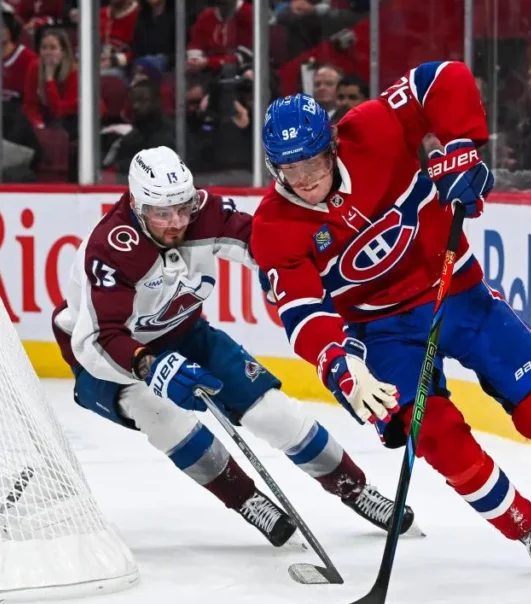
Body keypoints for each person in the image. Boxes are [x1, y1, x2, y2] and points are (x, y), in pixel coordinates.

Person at [251, 62, 531, 571]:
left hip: (456, 289)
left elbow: (442, 78)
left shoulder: (374, 127)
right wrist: (341, 364)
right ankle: (525, 525)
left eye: (313, 165)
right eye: (290, 171)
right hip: (382, 334)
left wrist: (460, 146)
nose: (304, 181)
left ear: (333, 146)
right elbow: (302, 313)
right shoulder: (273, 228)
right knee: (431, 433)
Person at [52, 146, 415, 547]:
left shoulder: (204, 214)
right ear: (137, 206)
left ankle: (354, 488)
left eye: (183, 208)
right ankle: (245, 499)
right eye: (162, 213)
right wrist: (148, 366)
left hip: (187, 335)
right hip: (109, 361)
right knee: (160, 414)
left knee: (273, 412)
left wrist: (296, 276)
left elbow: (265, 246)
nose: (176, 223)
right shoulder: (111, 249)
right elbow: (98, 341)